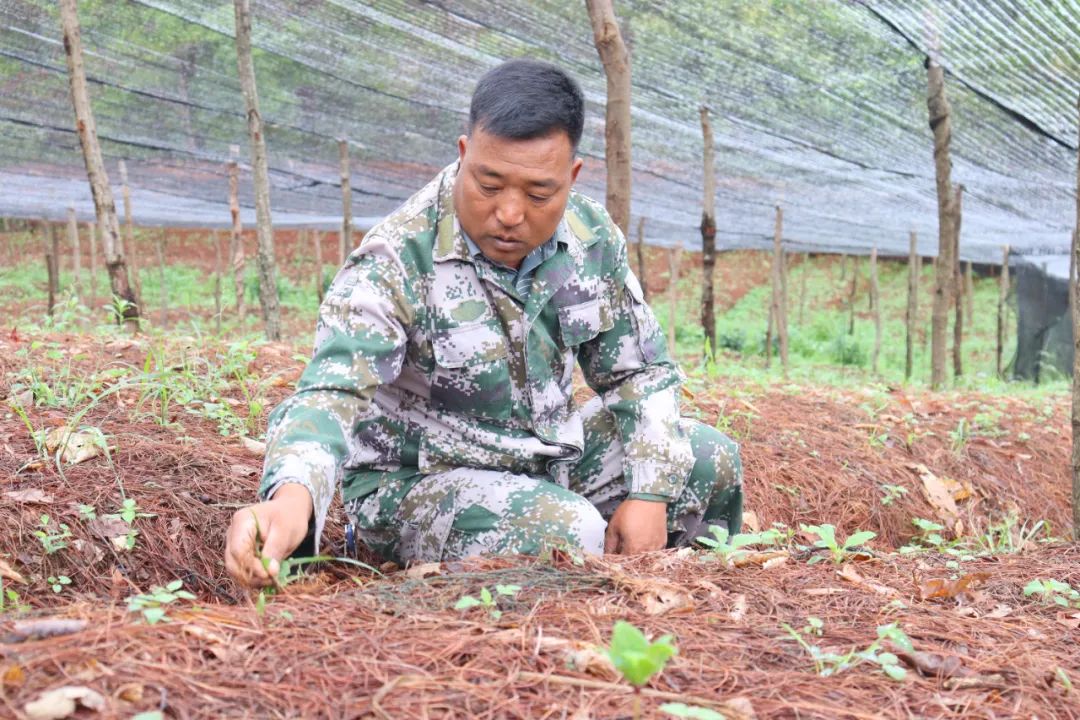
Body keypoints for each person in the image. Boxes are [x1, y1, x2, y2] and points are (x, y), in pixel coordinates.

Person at [225, 59, 742, 588]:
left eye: (539, 193)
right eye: (489, 185)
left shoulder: (589, 237)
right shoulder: (397, 258)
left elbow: (639, 373)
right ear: (465, 153)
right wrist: (291, 499)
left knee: (707, 460)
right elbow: (330, 392)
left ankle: (671, 614)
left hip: (544, 464)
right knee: (570, 532)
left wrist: (650, 494)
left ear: (573, 176)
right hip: (418, 484)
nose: (511, 213)